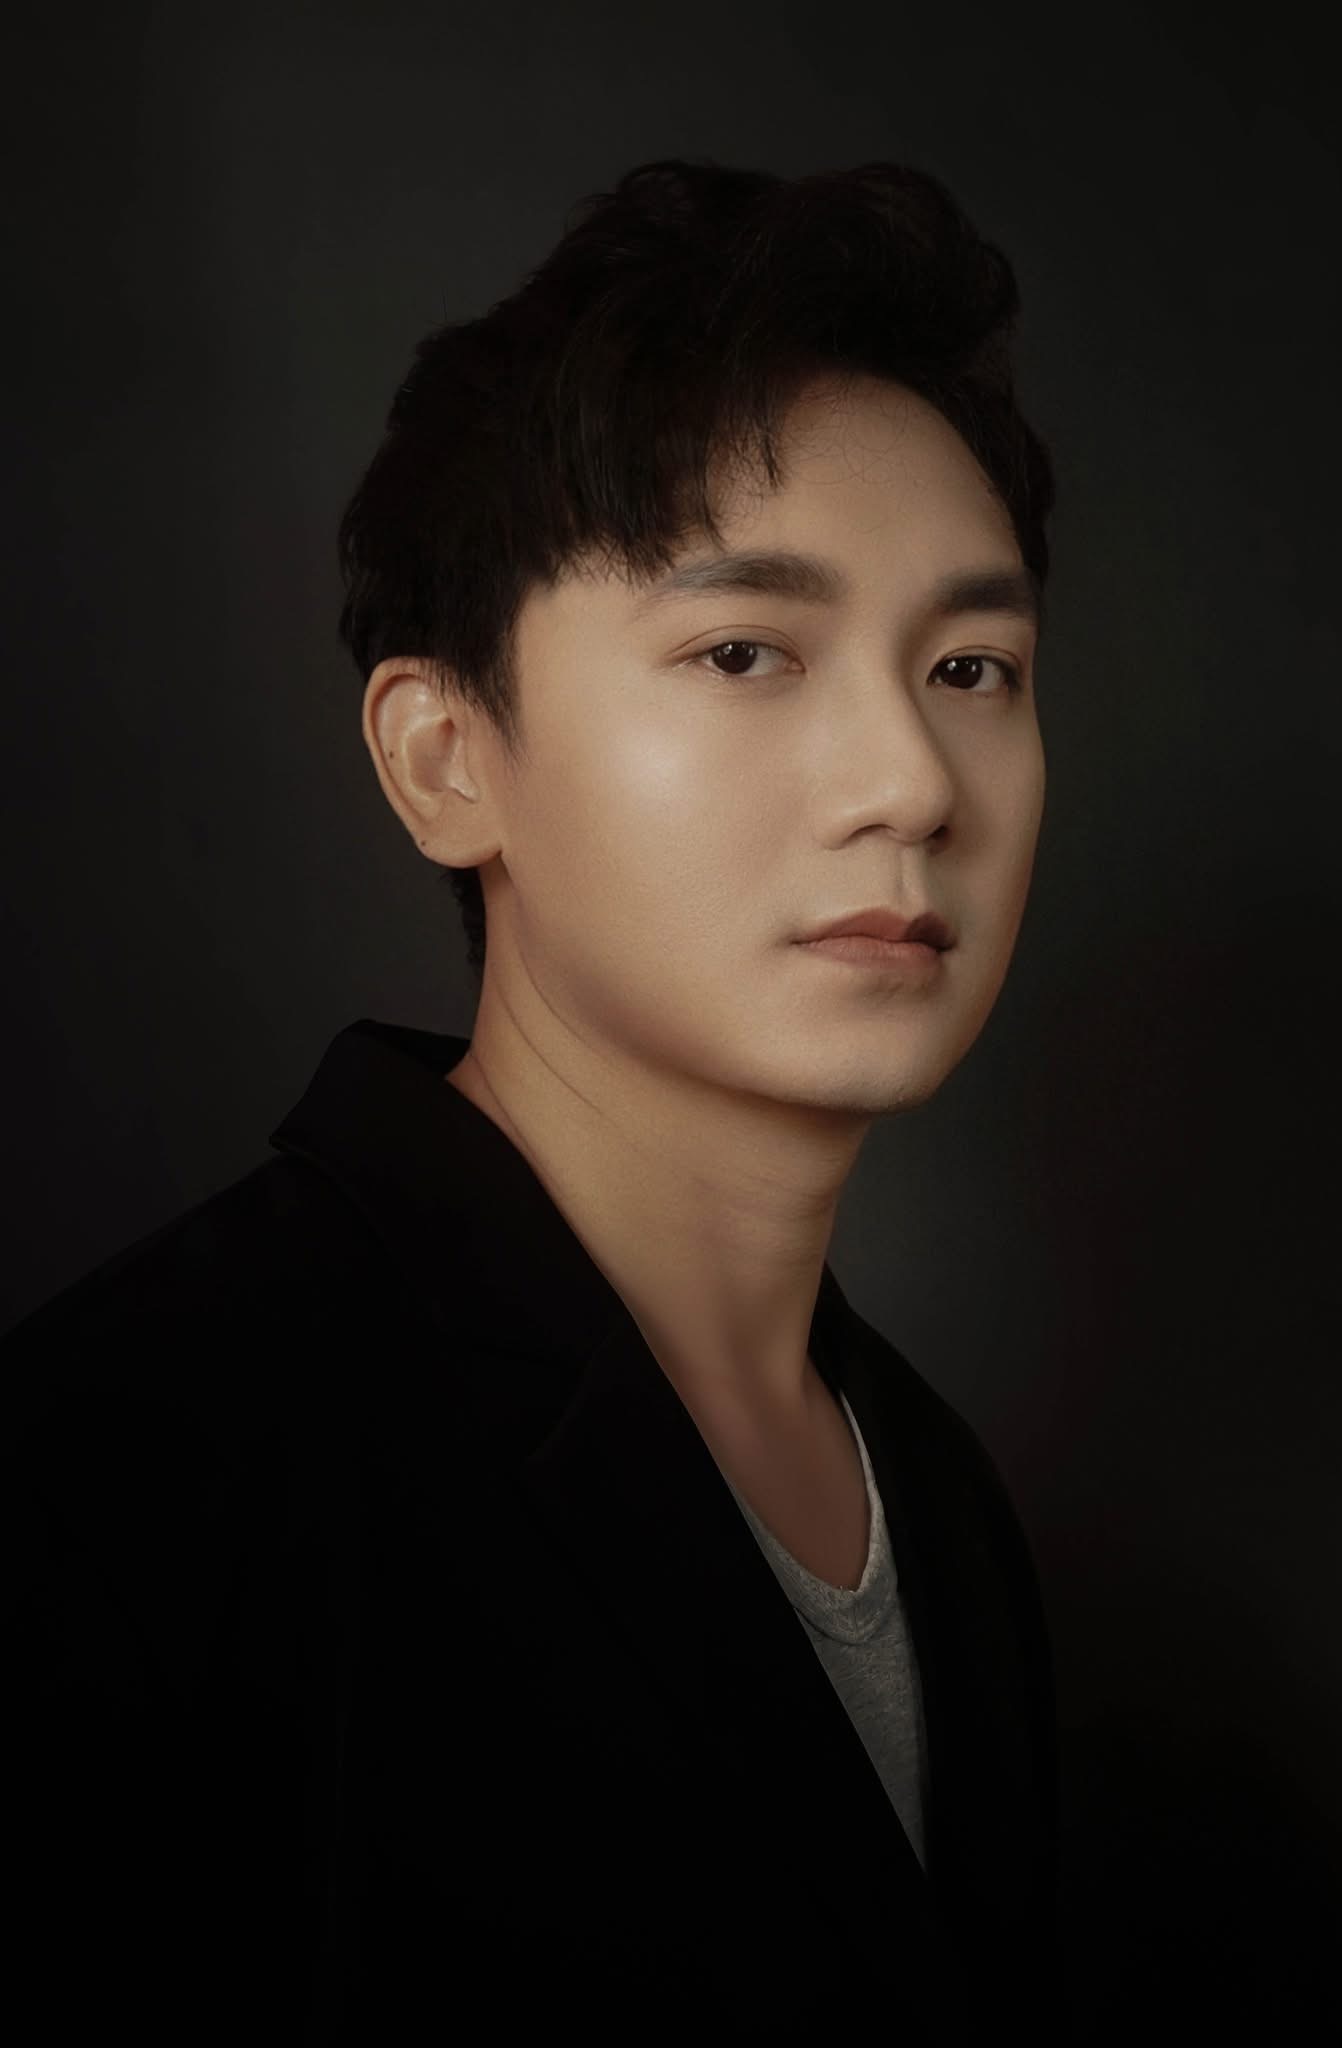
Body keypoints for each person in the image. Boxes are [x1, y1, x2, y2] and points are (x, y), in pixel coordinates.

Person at [2, 156, 1063, 2039]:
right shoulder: (131, 1477)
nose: (909, 778)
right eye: (744, 652)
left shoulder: (946, 1507)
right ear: (443, 758)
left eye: (970, 666)